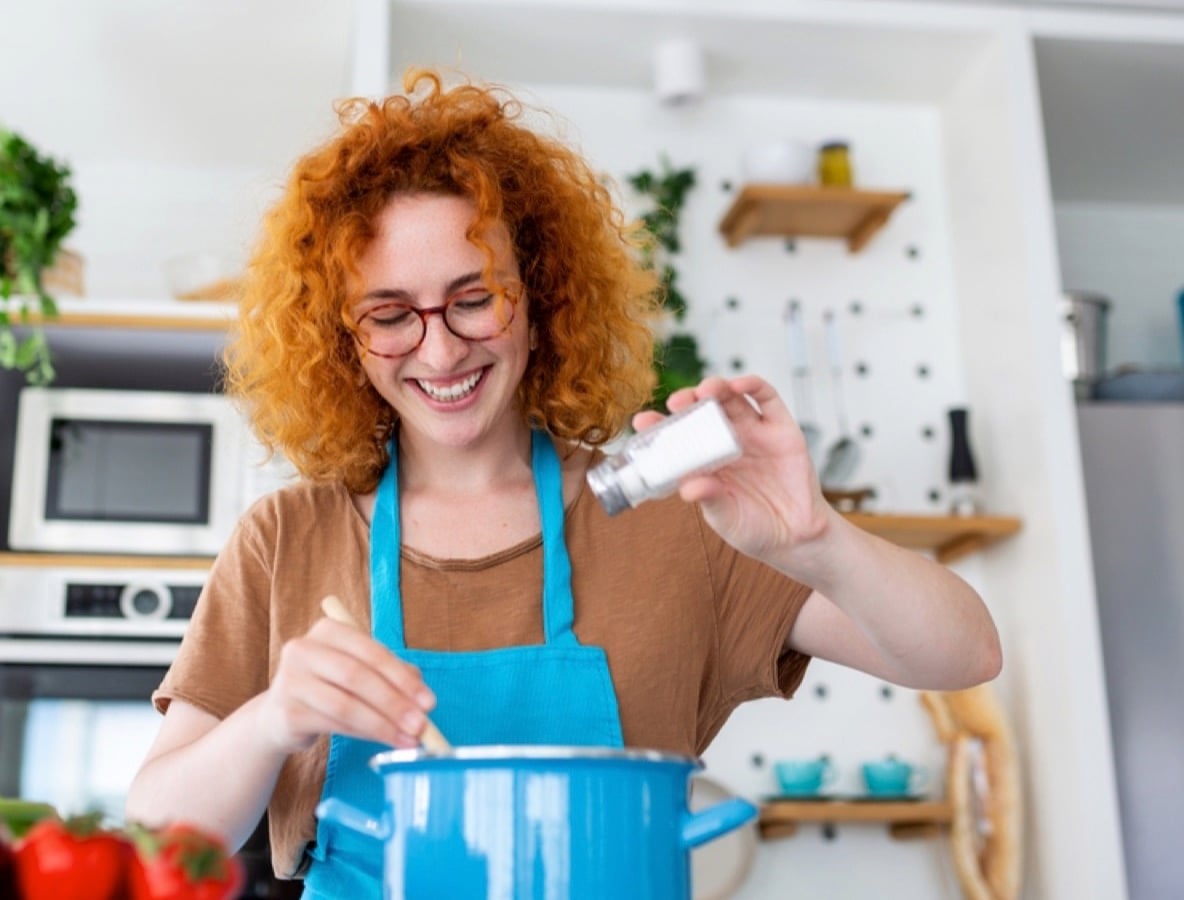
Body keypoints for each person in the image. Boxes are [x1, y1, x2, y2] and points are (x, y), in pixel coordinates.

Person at [126, 71, 1001, 896]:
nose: (439, 351)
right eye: (390, 315)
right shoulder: (289, 539)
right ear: (344, 338)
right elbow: (165, 832)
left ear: (540, 297)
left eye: (474, 299)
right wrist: (277, 716)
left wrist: (817, 539)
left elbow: (964, 653)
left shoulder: (675, 517)